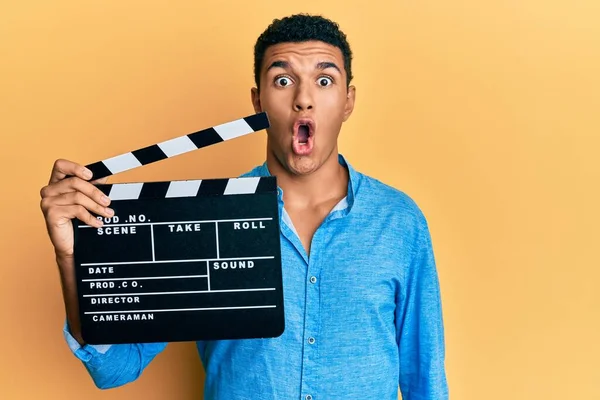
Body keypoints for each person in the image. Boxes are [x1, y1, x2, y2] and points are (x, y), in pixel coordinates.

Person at [40, 13, 448, 400]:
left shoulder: (398, 222)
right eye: (283, 80)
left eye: (324, 80)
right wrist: (70, 257)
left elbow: (425, 379)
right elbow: (114, 369)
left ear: (347, 101)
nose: (304, 99)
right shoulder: (204, 217)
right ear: (258, 102)